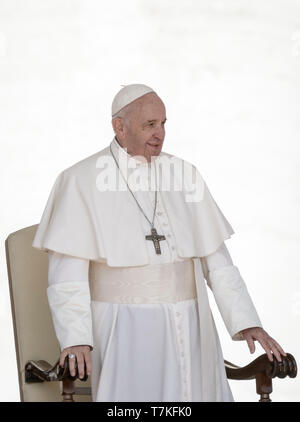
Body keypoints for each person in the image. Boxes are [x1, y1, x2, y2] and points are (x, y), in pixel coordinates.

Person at [32, 83, 286, 402]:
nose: (160, 133)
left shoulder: (184, 174)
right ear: (119, 127)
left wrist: (247, 322)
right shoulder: (80, 180)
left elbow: (218, 262)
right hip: (124, 328)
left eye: (163, 123)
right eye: (149, 124)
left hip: (192, 324)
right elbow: (66, 274)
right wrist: (76, 338)